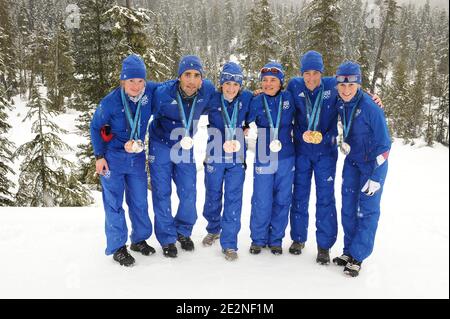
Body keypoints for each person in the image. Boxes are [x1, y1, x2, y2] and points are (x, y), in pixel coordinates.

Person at [287, 51, 384, 265]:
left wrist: (371, 96)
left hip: (326, 154)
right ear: (301, 73)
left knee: (325, 198)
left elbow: (351, 87)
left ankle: (324, 245)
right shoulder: (294, 86)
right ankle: (298, 238)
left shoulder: (332, 86)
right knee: (299, 196)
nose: (311, 78)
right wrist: (257, 92)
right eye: (306, 73)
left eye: (316, 73)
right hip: (302, 152)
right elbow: (278, 100)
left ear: (322, 73)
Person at [90, 54, 158, 267]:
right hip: (113, 159)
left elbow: (172, 86)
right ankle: (118, 247)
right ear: (123, 81)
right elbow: (94, 127)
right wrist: (99, 157)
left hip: (136, 158)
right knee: (114, 203)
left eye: (140, 81)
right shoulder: (110, 102)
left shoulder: (149, 95)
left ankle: (139, 239)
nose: (136, 86)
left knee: (139, 200)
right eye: (131, 81)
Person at [149, 55, 216, 258]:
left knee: (189, 192)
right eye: (187, 75)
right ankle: (167, 238)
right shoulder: (162, 93)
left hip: (184, 145)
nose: (192, 80)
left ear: (202, 79)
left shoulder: (207, 91)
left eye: (197, 75)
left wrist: (256, 95)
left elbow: (232, 96)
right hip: (160, 144)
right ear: (179, 77)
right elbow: (138, 97)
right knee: (162, 193)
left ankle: (183, 231)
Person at [333, 61, 391, 277]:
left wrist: (376, 177)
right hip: (352, 162)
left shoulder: (370, 108)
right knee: (348, 208)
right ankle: (348, 251)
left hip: (372, 165)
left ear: (358, 84)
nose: (346, 90)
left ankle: (358, 256)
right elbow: (320, 83)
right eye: (342, 85)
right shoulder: (340, 100)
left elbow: (385, 146)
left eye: (351, 85)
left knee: (367, 210)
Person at [201, 61, 253, 261]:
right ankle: (213, 229)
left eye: (235, 84)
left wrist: (247, 123)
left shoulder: (247, 98)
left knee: (233, 198)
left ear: (240, 86)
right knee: (212, 195)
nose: (231, 88)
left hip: (237, 159)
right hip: (214, 155)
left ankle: (229, 243)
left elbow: (258, 108)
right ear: (221, 84)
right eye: (227, 83)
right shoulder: (212, 99)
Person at [247, 62, 296, 255]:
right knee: (261, 198)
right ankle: (258, 239)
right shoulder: (256, 101)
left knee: (283, 199)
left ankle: (276, 239)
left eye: (273, 80)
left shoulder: (290, 99)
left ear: (281, 82)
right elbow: (242, 117)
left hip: (286, 156)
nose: (268, 84)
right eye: (265, 80)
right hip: (263, 154)